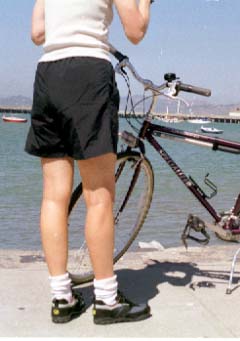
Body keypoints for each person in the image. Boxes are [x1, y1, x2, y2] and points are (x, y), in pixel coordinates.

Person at [26, 0, 153, 324]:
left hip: (48, 73)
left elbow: (37, 33)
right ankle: (107, 301)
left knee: (54, 195)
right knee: (99, 196)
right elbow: (135, 30)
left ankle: (62, 298)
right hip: (88, 74)